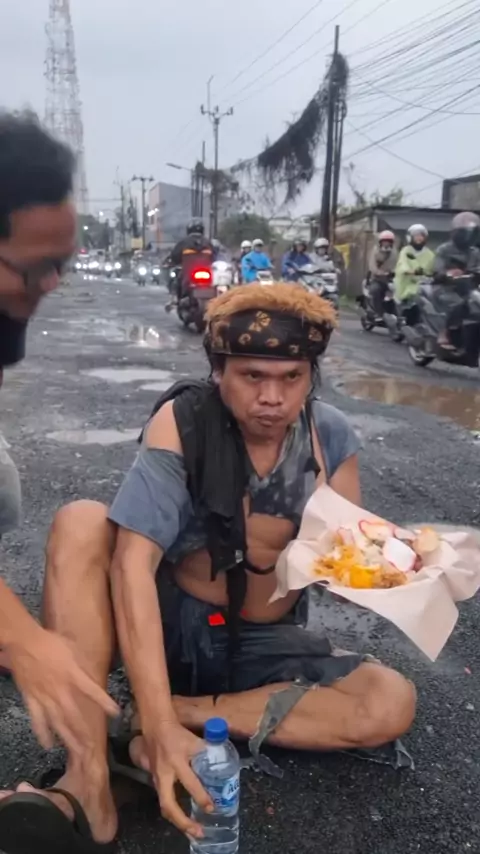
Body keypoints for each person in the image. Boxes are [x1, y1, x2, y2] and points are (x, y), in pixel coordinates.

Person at [0, 283, 416, 850]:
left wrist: (395, 568)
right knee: (81, 522)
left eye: (291, 378)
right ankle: (88, 780)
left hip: (260, 644)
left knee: (389, 701)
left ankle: (173, 716)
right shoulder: (184, 422)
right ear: (219, 372)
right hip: (171, 628)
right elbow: (132, 566)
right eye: (252, 376)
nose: (272, 397)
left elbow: (346, 563)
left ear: (311, 377)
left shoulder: (330, 436)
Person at [0, 112, 119, 757]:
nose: (52, 284)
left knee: (1, 488)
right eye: (36, 267)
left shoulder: (8, 301)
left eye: (62, 264)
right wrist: (22, 637)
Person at [432, 211, 480, 348]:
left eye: (472, 233)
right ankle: (444, 332)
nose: (469, 236)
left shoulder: (475, 252)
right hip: (445, 288)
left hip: (468, 289)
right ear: (456, 233)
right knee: (457, 303)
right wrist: (448, 273)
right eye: (466, 233)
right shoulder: (444, 249)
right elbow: (437, 270)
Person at [168, 219, 214, 304]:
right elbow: (215, 256)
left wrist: (173, 262)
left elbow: (175, 256)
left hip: (189, 275)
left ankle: (175, 299)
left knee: (176, 279)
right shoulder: (208, 242)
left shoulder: (184, 242)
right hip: (206, 273)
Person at [394, 224, 435, 304]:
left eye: (421, 236)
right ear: (410, 237)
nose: (419, 238)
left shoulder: (430, 254)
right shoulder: (406, 251)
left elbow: (433, 268)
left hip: (424, 284)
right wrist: (411, 271)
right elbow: (403, 264)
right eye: (416, 236)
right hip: (406, 284)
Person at [368, 230, 397, 318]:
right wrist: (380, 273)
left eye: (388, 242)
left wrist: (394, 272)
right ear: (380, 242)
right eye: (384, 241)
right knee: (376, 290)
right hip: (377, 279)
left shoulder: (395, 253)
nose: (386, 244)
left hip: (391, 279)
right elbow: (372, 266)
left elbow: (398, 264)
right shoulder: (375, 251)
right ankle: (379, 312)